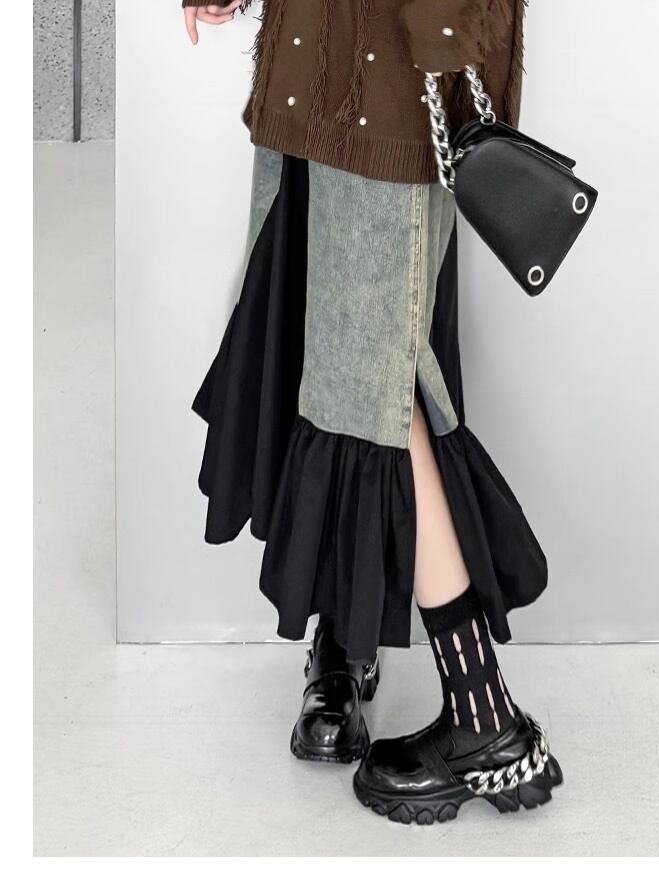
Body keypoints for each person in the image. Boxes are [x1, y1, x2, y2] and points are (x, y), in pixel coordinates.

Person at [183, 0, 562, 825]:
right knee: (329, 369)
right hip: (314, 68)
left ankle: (485, 720)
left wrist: (441, 27)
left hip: (392, 80)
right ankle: (355, 651)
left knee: (378, 389)